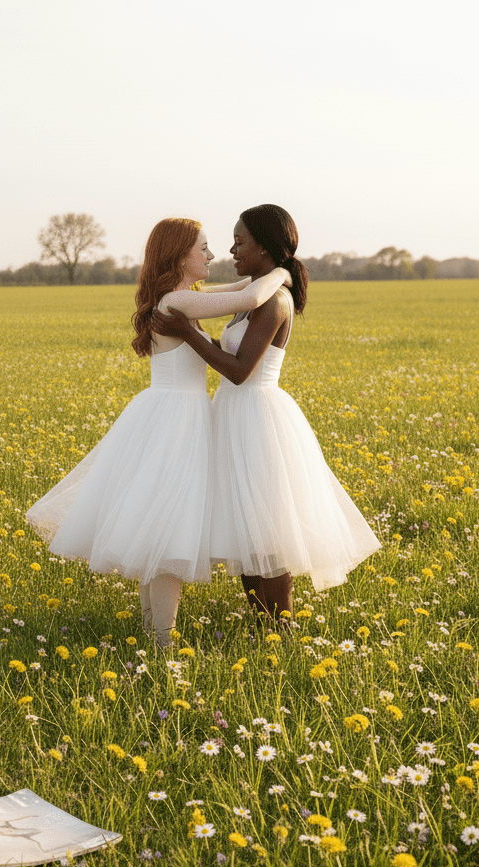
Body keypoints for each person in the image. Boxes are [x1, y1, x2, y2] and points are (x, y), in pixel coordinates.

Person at [26, 217, 291, 647]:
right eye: (202, 248)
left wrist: (272, 275)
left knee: (160, 521)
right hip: (178, 419)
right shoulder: (178, 303)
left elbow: (235, 295)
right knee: (170, 528)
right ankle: (162, 641)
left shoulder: (178, 298)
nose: (211, 255)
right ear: (178, 256)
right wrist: (282, 270)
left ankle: (154, 631)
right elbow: (249, 295)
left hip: (164, 412)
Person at [152, 204, 381, 619]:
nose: (232, 250)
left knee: (268, 533)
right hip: (234, 414)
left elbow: (239, 371)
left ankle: (280, 628)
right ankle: (263, 624)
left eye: (240, 243)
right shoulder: (250, 297)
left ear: (264, 246)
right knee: (247, 528)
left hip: (258, 415)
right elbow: (229, 331)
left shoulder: (274, 301)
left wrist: (187, 332)